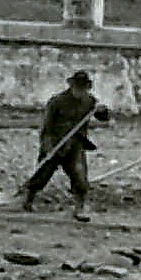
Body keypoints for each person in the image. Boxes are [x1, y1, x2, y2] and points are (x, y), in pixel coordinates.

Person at [22, 70, 112, 222]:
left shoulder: (90, 102)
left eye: (84, 89)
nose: (80, 92)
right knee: (42, 174)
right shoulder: (57, 101)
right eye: (78, 88)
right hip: (56, 143)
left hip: (75, 145)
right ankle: (28, 201)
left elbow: (103, 118)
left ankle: (79, 208)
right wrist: (48, 147)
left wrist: (103, 111)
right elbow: (46, 127)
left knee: (80, 176)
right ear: (72, 86)